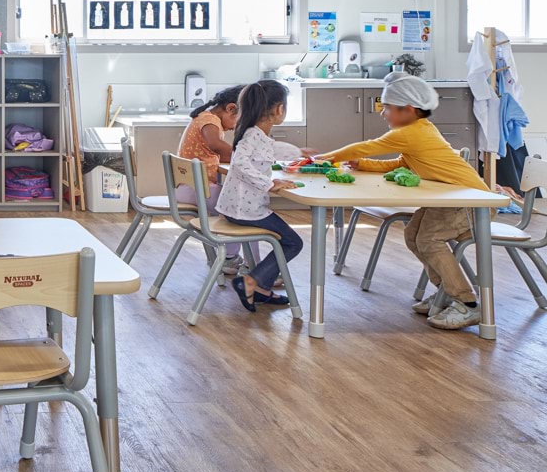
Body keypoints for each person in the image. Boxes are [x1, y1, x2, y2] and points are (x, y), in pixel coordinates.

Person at [318, 72, 509, 330]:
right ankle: (446, 293)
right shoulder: (417, 131)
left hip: (471, 202)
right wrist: (361, 165)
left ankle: (468, 303)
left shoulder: (412, 133)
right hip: (451, 200)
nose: (382, 113)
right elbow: (399, 163)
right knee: (413, 235)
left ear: (408, 110)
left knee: (428, 239)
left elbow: (364, 146)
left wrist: (322, 159)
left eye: (386, 108)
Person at [215, 80, 303, 312]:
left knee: (288, 241)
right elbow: (240, 163)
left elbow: (270, 150)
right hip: (246, 211)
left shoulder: (254, 133)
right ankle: (252, 282)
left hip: (238, 208)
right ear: (279, 110)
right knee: (294, 243)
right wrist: (269, 183)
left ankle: (262, 289)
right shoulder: (253, 135)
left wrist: (300, 153)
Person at [177, 84, 258, 276]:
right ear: (231, 108)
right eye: (239, 121)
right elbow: (215, 144)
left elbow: (214, 152)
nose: (235, 127)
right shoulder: (210, 120)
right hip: (200, 190)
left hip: (189, 188)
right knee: (247, 211)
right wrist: (243, 156)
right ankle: (244, 263)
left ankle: (230, 258)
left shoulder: (204, 117)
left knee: (239, 208)